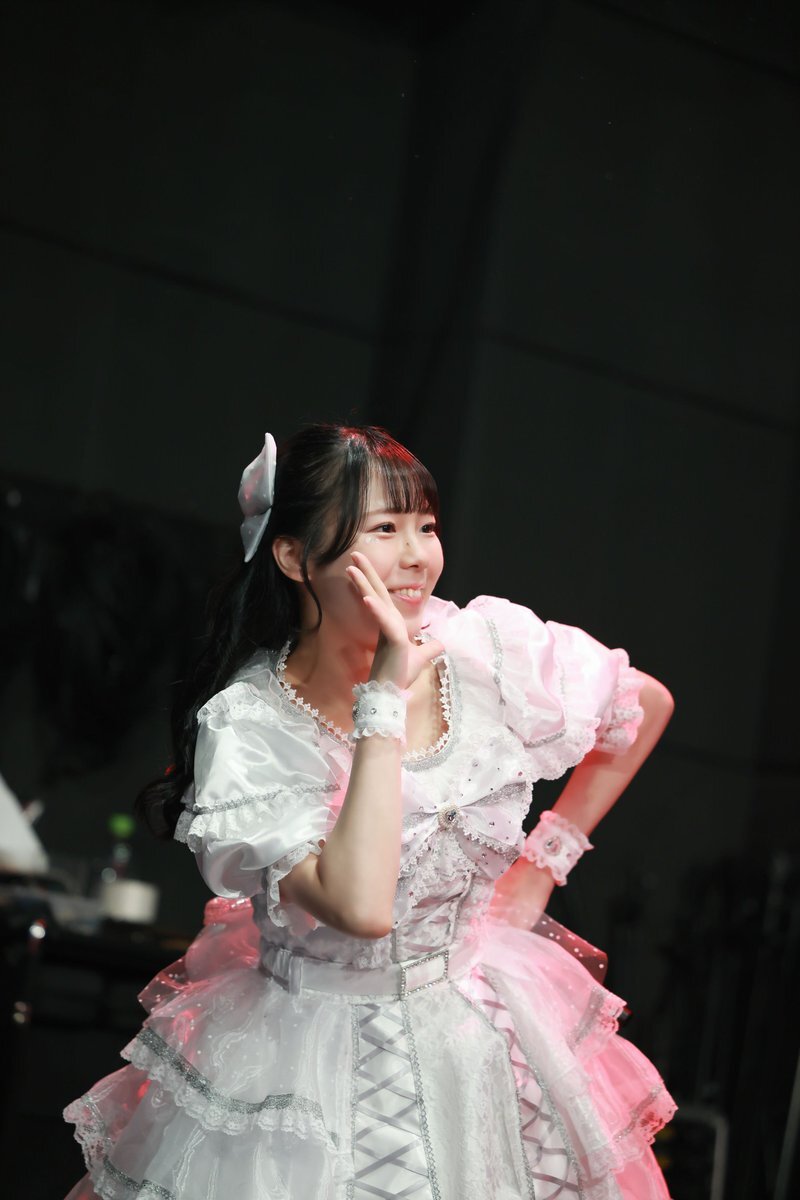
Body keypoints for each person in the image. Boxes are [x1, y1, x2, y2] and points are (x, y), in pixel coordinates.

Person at [64, 424, 677, 1200]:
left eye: (426, 526)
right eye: (384, 530)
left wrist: (542, 865)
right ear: (295, 557)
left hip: (479, 1032)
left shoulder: (480, 648)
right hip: (307, 1055)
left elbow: (643, 704)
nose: (417, 555)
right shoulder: (253, 727)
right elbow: (360, 907)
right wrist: (382, 698)